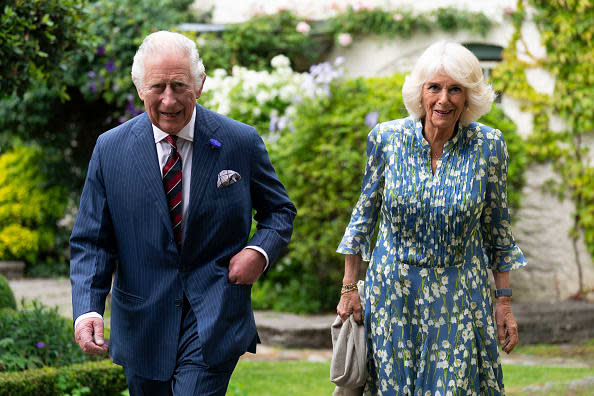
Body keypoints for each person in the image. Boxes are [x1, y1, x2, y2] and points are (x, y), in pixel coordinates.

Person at [70, 31, 296, 396]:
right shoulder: (110, 149)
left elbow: (279, 211)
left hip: (213, 314)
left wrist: (259, 251)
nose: (169, 99)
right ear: (140, 87)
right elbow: (91, 241)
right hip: (142, 322)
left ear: (200, 84)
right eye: (158, 86)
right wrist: (88, 309)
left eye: (179, 85)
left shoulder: (239, 141)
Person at [336, 41, 527, 395]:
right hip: (393, 295)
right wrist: (349, 288)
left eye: (455, 89)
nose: (444, 99)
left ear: (469, 97)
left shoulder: (489, 146)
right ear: (420, 92)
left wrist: (504, 303)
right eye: (434, 87)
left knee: (452, 387)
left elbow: (498, 231)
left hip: (460, 295)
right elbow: (362, 218)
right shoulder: (387, 139)